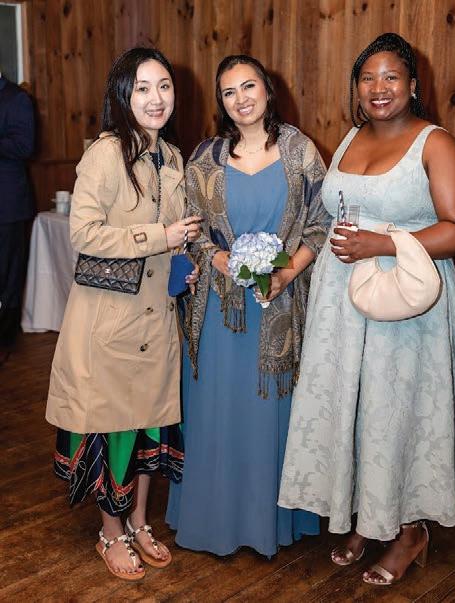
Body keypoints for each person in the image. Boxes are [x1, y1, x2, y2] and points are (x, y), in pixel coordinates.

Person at [278, 33, 455, 585]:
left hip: (404, 305)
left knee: (396, 414)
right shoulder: (351, 138)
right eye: (368, 78)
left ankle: (410, 531)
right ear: (356, 87)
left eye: (391, 77)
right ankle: (367, 518)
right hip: (341, 303)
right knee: (356, 409)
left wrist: (383, 243)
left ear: (413, 85)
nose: (379, 88)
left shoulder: (436, 145)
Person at [45, 47, 201, 581]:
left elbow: (176, 238)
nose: (156, 98)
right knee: (114, 426)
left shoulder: (173, 157)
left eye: (164, 86)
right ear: (123, 95)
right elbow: (84, 234)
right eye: (142, 88)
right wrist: (161, 237)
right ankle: (110, 532)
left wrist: (182, 266)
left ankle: (139, 522)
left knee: (150, 425)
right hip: (110, 321)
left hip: (157, 319)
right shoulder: (106, 153)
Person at [165, 55, 331, 556]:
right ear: (221, 102)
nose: (241, 99)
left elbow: (321, 223)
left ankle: (270, 523)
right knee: (218, 414)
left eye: (249, 86)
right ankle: (211, 520)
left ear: (267, 90)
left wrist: (287, 273)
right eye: (229, 92)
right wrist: (218, 258)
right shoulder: (206, 157)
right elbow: (191, 228)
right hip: (221, 312)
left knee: (268, 417)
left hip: (279, 308)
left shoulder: (300, 150)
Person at [0, 72, 35, 366]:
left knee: (7, 275)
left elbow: (25, 146)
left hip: (7, 205)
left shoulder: (16, 98)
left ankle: (5, 339)